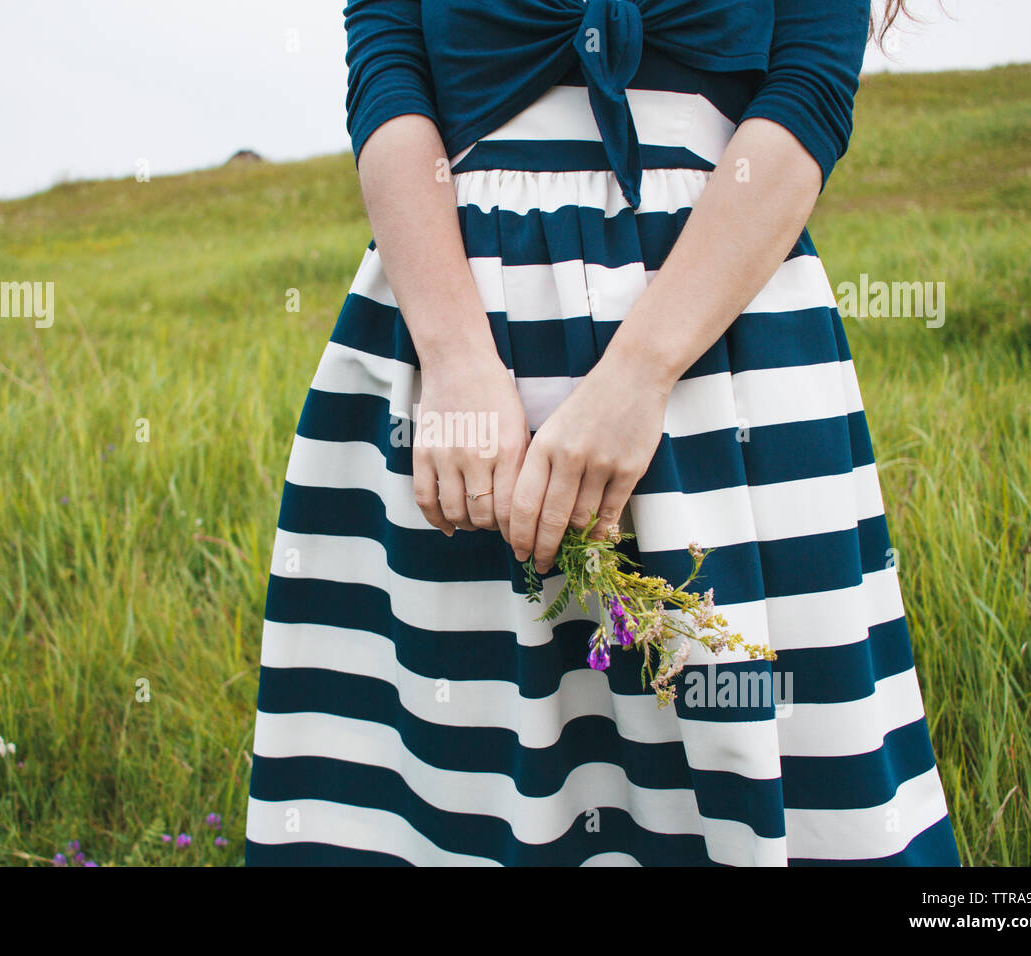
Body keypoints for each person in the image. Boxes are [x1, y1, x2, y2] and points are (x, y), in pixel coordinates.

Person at [244, 0, 961, 866]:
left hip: (721, 351)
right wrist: (457, 360)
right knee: (455, 772)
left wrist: (641, 375)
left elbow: (809, 88)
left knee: (747, 734)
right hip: (452, 347)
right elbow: (387, 63)